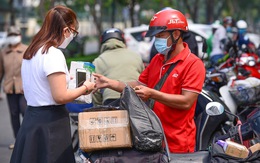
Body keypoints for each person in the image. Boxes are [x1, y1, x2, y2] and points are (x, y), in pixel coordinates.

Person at [93, 9, 206, 153]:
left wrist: (152, 94)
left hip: (178, 144)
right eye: (156, 36)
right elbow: (140, 85)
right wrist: (111, 83)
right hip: (152, 138)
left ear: (176, 34)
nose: (157, 40)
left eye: (161, 35)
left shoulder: (193, 64)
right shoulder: (157, 59)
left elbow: (186, 101)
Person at [10, 5, 96, 163]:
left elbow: (31, 87)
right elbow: (60, 96)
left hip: (31, 119)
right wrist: (86, 88)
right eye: (73, 32)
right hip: (51, 122)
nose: (72, 36)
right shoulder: (53, 54)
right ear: (65, 30)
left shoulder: (31, 51)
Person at [92, 28, 144, 105]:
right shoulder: (135, 56)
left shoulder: (98, 61)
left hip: (110, 100)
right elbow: (144, 80)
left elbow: (95, 89)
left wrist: (99, 106)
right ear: (123, 40)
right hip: (136, 97)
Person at [0, 26, 28, 149]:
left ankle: (27, 139)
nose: (13, 37)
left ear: (20, 36)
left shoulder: (26, 50)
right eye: (10, 35)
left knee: (25, 112)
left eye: (14, 35)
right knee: (14, 114)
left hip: (23, 88)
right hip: (10, 88)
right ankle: (18, 140)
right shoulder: (3, 52)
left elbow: (30, 70)